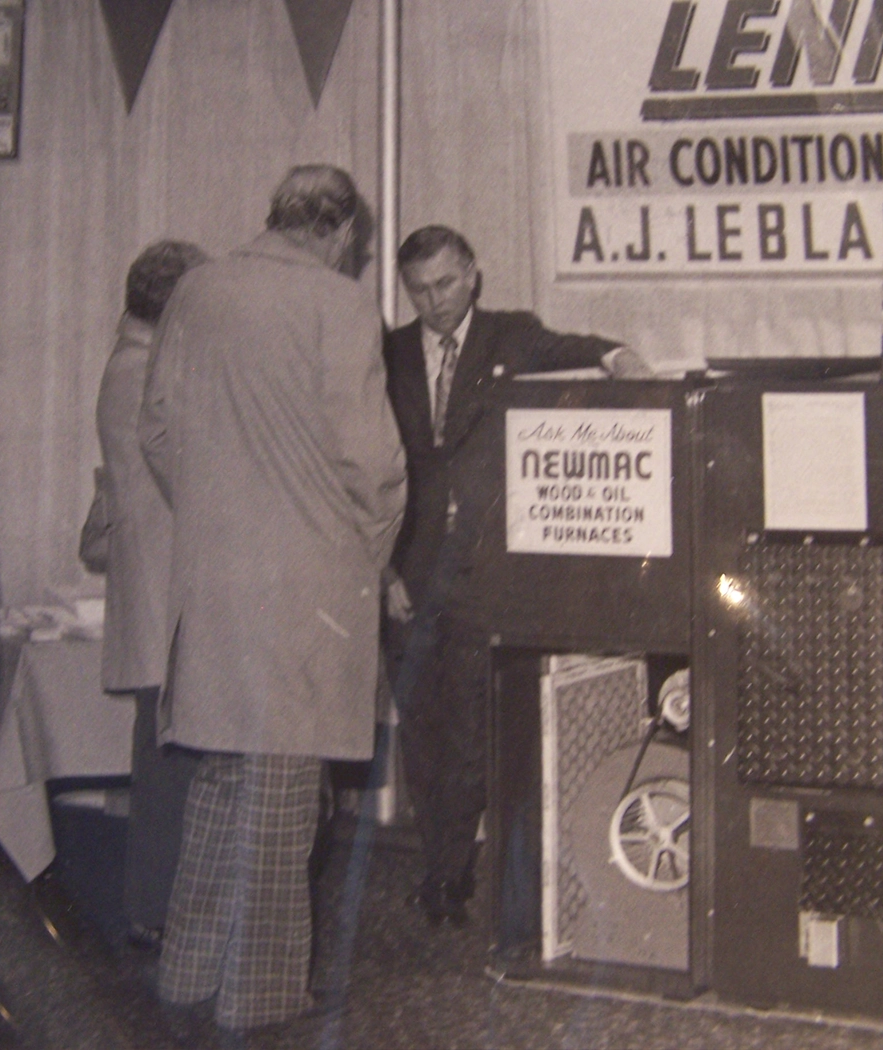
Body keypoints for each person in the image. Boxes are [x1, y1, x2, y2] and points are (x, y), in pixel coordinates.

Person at [139, 165, 406, 1032]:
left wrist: (219, 520)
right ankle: (257, 999)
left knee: (222, 786)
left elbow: (158, 429)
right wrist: (361, 559)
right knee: (286, 797)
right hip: (307, 589)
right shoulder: (339, 304)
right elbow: (373, 464)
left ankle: (186, 975)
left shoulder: (196, 290)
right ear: (335, 232)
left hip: (213, 586)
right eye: (355, 244)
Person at [382, 225, 649, 927]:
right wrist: (383, 570)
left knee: (471, 731)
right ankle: (441, 865)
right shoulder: (390, 355)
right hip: (405, 573)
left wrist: (619, 356)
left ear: (473, 274)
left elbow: (577, 351)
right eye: (419, 289)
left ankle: (447, 876)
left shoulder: (511, 336)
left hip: (481, 572)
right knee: (420, 731)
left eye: (445, 283)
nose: (434, 302)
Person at [95, 239, 209, 953]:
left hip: (154, 592)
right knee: (169, 770)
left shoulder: (127, 366)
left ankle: (156, 908)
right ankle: (158, 912)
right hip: (168, 594)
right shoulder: (145, 375)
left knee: (164, 762)